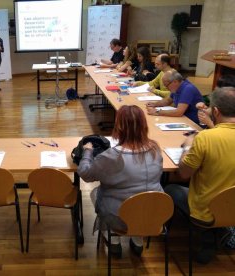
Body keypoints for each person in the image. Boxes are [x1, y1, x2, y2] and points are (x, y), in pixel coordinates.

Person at [77, 105, 163, 258]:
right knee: (140, 195)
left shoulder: (112, 156)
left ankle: (114, 239)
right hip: (153, 214)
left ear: (119, 127)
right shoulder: (155, 149)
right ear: (144, 125)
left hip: (120, 217)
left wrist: (88, 151)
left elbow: (85, 174)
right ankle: (138, 239)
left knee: (95, 192)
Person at [164, 86, 235, 264]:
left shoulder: (206, 138)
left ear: (216, 112)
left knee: (170, 187)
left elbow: (184, 174)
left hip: (206, 210)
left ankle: (207, 236)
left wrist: (188, 146)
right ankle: (223, 229)